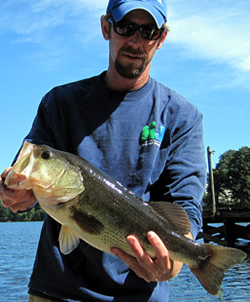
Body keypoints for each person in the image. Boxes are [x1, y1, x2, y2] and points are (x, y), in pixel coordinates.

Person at [0, 0, 206, 301]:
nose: (136, 41)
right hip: (57, 293)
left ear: (161, 38)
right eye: (125, 27)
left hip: (140, 295)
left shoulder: (182, 116)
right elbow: (24, 190)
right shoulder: (59, 103)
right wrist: (14, 194)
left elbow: (185, 209)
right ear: (106, 27)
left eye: (147, 31)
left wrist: (172, 264)